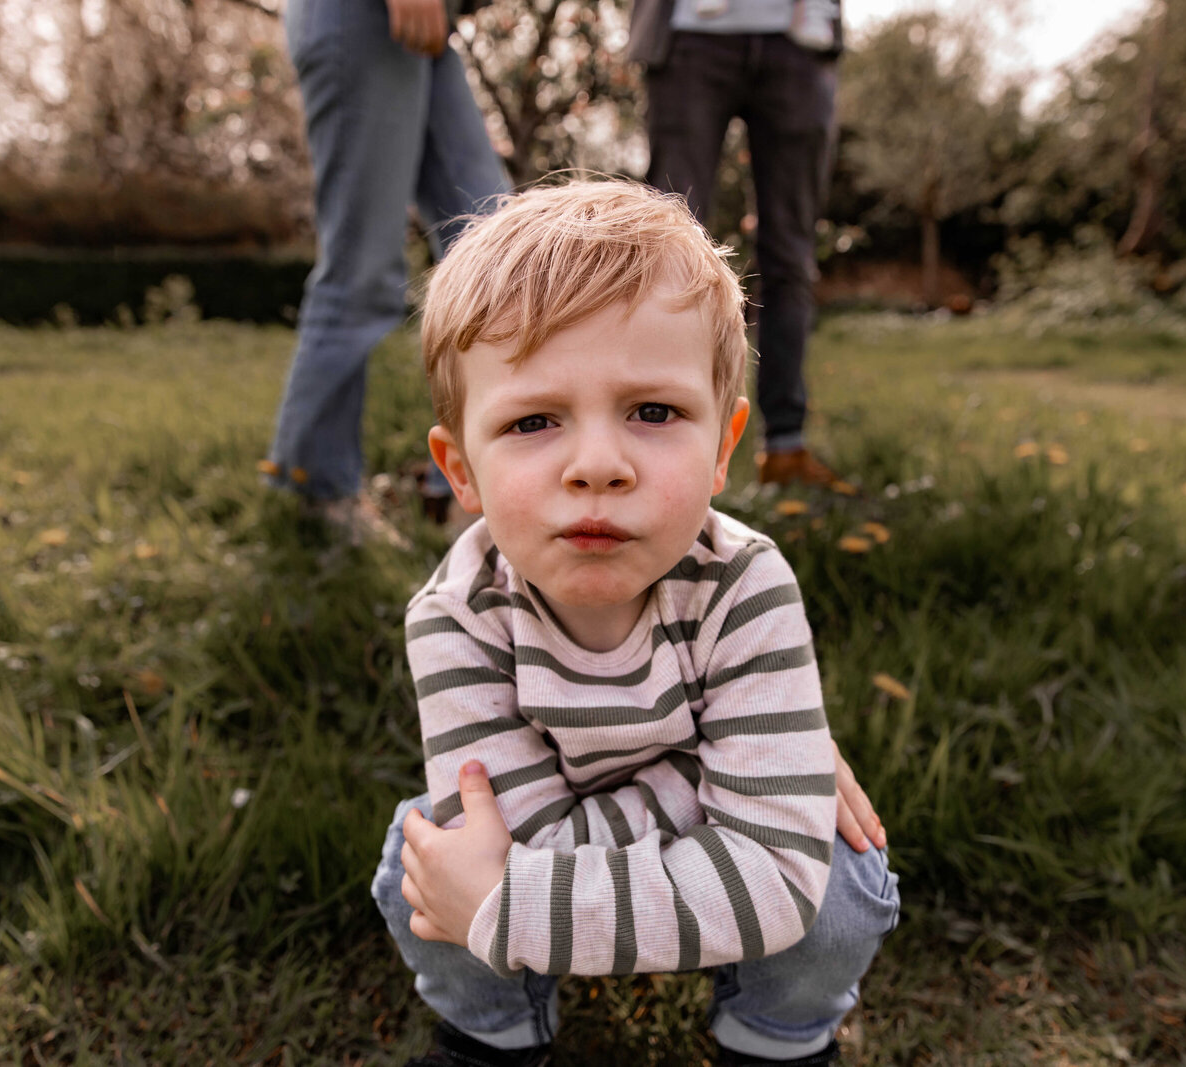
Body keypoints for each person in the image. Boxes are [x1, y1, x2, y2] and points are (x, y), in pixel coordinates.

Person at [370, 181, 899, 1067]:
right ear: (459, 469)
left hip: (637, 872)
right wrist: (728, 779)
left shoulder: (746, 584)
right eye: (535, 420)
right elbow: (512, 848)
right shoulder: (456, 615)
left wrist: (516, 896)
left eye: (653, 412)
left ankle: (775, 1038)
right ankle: (492, 1031)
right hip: (613, 854)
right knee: (425, 853)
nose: (598, 465)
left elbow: (776, 881)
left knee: (834, 876)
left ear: (725, 445)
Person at [261, 0, 509, 543]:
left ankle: (467, 487)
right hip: (358, 16)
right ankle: (314, 492)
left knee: (501, 252)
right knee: (363, 269)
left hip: (428, 24)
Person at [628, 0, 847, 488]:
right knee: (669, 245)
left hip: (800, 40)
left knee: (790, 253)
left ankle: (786, 448)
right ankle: (654, 431)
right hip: (687, 34)